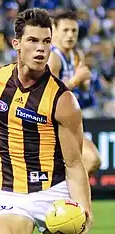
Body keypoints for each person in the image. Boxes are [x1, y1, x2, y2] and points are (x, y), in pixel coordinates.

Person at [0, 8, 92, 234]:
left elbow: (74, 164)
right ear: (16, 44)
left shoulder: (63, 100)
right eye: (33, 40)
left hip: (53, 192)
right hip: (10, 195)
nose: (40, 48)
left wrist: (85, 210)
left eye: (46, 41)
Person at [48, 10, 101, 176]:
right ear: (54, 30)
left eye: (74, 31)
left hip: (69, 125)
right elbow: (49, 95)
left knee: (92, 161)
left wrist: (85, 84)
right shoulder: (52, 58)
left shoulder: (77, 55)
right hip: (49, 128)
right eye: (65, 30)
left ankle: (66, 198)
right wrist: (76, 80)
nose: (70, 35)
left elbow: (83, 91)